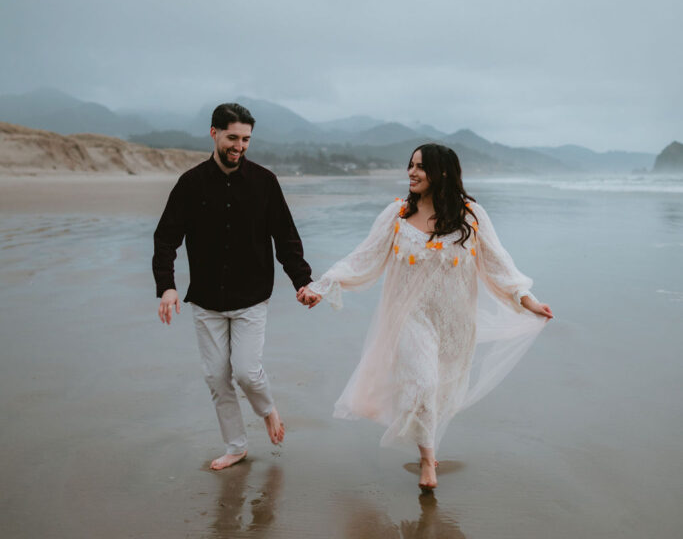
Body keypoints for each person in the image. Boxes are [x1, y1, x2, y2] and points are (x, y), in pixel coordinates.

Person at [297, 143, 552, 493]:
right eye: (411, 165)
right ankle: (428, 460)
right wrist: (322, 286)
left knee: (440, 390)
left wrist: (528, 300)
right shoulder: (398, 214)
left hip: (454, 321)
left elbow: (499, 264)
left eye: (420, 167)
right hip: (409, 317)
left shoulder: (470, 215)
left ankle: (427, 446)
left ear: (442, 172)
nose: (412, 172)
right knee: (424, 384)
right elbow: (363, 257)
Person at [153, 102, 313, 470]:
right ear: (214, 133)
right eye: (232, 138)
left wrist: (303, 281)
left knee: (246, 372)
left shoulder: (264, 182)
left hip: (251, 298)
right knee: (216, 377)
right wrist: (167, 286)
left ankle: (267, 409)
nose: (239, 146)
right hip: (206, 300)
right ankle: (236, 446)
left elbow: (286, 238)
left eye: (246, 139)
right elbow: (166, 238)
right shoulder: (191, 183)